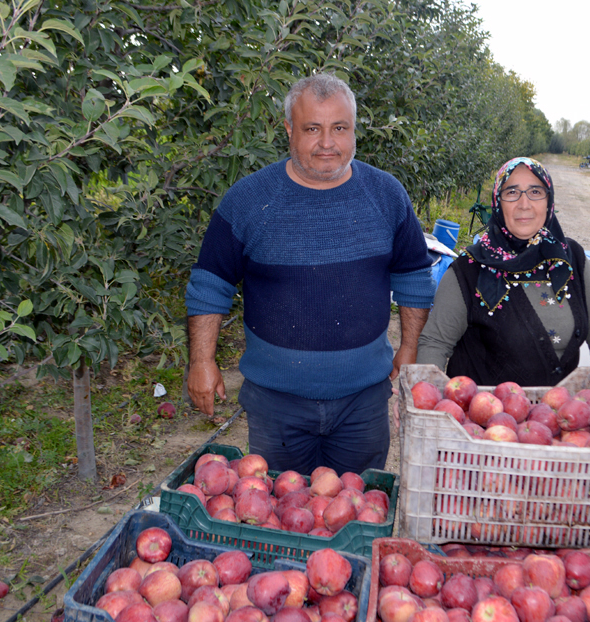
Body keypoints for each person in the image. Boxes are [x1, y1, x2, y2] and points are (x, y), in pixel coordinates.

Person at [185, 73, 436, 474]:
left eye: (339, 128)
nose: (327, 143)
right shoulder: (249, 201)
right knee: (281, 516)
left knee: (358, 511)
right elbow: (208, 286)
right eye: (312, 129)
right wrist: (201, 360)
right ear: (288, 130)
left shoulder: (387, 196)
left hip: (364, 403)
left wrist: (409, 348)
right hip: (276, 405)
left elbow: (414, 277)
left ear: (355, 130)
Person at [416, 156, 590, 386]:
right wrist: (428, 398)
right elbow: (434, 343)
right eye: (512, 192)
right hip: (484, 418)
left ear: (549, 201)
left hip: (561, 414)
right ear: (497, 201)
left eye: (535, 192)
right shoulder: (469, 270)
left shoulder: (569, 258)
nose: (524, 204)